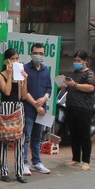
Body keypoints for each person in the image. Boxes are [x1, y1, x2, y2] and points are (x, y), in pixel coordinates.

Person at [0, 48, 28, 182]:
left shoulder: (20, 76)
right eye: (13, 58)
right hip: (5, 107)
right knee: (3, 139)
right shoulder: (0, 75)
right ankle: (4, 171)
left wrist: (24, 80)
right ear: (7, 60)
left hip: (18, 107)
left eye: (17, 58)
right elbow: (7, 92)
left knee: (20, 139)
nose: (15, 61)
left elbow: (24, 95)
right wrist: (9, 75)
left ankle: (20, 172)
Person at [61, 50, 95, 170]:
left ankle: (86, 160)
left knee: (84, 134)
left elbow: (90, 87)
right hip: (71, 106)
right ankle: (75, 158)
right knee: (74, 133)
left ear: (85, 61)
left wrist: (75, 85)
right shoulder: (72, 73)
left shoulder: (89, 74)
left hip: (84, 107)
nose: (76, 63)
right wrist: (63, 85)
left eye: (79, 61)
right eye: (75, 60)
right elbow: (67, 87)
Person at [21, 43, 53, 175]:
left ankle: (37, 162)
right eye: (35, 53)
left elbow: (48, 89)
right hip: (28, 108)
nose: (38, 56)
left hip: (41, 111)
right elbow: (23, 91)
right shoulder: (24, 69)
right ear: (31, 53)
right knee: (26, 136)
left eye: (40, 53)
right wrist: (35, 104)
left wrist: (45, 98)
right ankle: (23, 163)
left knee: (37, 137)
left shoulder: (45, 70)